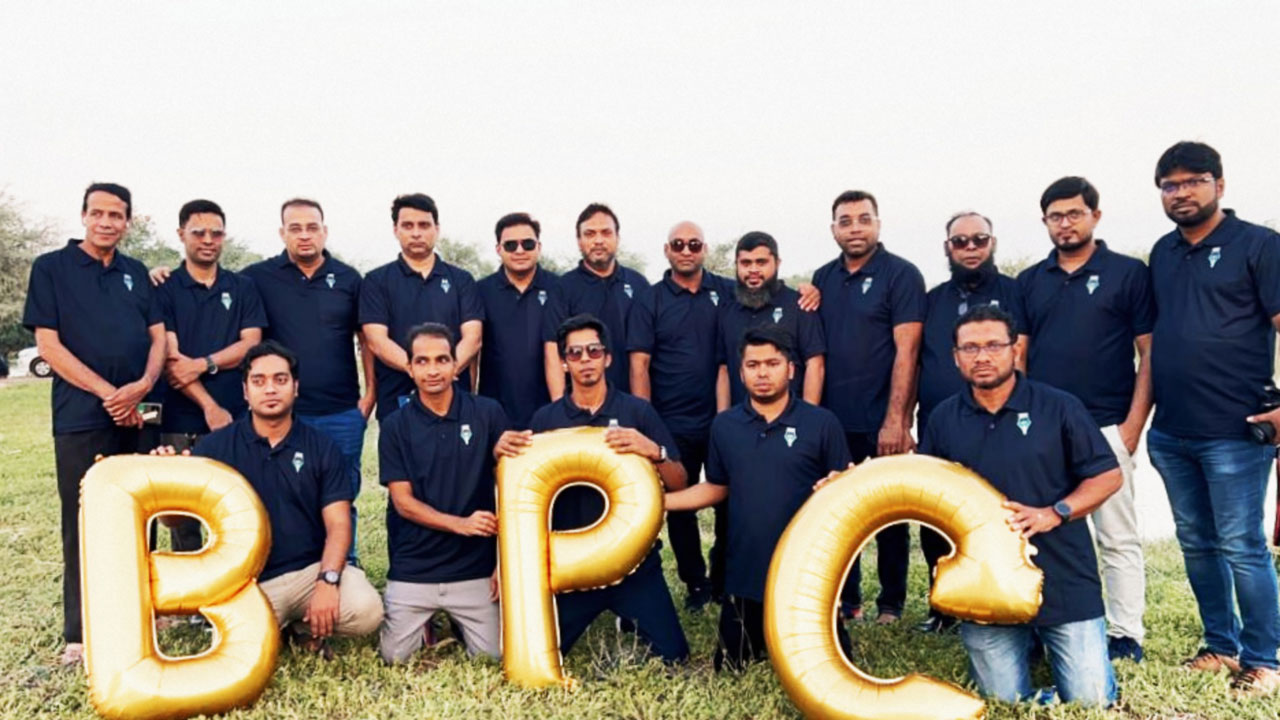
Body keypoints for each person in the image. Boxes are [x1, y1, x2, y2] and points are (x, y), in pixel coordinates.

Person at [919, 305, 1121, 707]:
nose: (982, 356)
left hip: (1062, 576)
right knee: (1004, 700)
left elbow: (1108, 476)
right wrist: (850, 482)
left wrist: (1055, 513)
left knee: (1090, 701)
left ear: (1016, 350)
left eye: (994, 345)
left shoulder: (1059, 406)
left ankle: (1049, 649)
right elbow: (922, 486)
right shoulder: (943, 418)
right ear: (956, 357)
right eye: (970, 348)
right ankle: (1030, 655)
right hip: (986, 584)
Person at [1146, 141, 1280, 695]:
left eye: (1192, 181)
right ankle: (1220, 646)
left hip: (1236, 431)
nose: (1181, 193)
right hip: (1173, 431)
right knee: (1197, 543)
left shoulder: (1259, 245)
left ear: (1219, 185)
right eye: (1170, 185)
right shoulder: (1162, 252)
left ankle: (1264, 659)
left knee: (1242, 545)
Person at [23, 182, 167, 666]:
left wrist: (142, 385)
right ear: (84, 216)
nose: (107, 222)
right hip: (82, 417)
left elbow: (158, 338)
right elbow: (49, 347)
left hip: (140, 413)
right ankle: (81, 633)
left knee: (142, 515)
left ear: (128, 221)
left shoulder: (136, 273)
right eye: (99, 213)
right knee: (83, 520)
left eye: (117, 215)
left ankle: (145, 612)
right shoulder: (51, 268)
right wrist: (110, 394)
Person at [164, 341, 383, 653]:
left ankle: (301, 624)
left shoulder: (322, 446)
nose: (270, 389)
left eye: (280, 380)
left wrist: (328, 580)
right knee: (236, 643)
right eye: (259, 381)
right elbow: (177, 520)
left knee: (366, 610)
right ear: (245, 391)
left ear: (295, 387)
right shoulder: (215, 449)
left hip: (309, 571)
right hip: (248, 579)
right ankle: (285, 627)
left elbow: (338, 524)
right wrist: (168, 485)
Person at [1017, 177, 1153, 662]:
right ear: (1045, 222)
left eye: (1074, 213)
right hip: (1045, 431)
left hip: (1107, 424)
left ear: (1095, 215)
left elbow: (1148, 353)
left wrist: (1132, 427)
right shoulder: (1030, 281)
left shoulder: (1128, 273)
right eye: (1056, 216)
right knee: (1046, 534)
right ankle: (1045, 626)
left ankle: (1125, 633)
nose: (1065, 223)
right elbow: (1020, 357)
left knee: (1117, 537)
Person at [666, 326, 853, 670]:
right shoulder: (724, 426)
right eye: (753, 365)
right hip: (745, 577)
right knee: (730, 668)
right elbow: (717, 486)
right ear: (741, 373)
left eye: (772, 363)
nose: (762, 373)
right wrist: (661, 503)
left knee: (825, 668)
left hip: (806, 574)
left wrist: (840, 486)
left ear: (791, 369)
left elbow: (843, 492)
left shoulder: (822, 424)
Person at [525, 314, 690, 664]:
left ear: (608, 357)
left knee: (675, 657)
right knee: (542, 657)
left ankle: (630, 615)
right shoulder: (546, 420)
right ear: (564, 363)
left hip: (633, 563)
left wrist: (654, 450)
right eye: (575, 353)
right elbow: (528, 494)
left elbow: (679, 481)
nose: (585, 359)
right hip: (573, 566)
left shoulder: (637, 412)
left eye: (594, 351)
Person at [811, 190, 925, 625]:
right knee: (839, 511)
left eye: (863, 219)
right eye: (845, 221)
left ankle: (891, 604)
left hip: (882, 420)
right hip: (834, 420)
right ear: (833, 229)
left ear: (878, 223)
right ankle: (848, 600)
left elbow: (908, 351)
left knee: (888, 513)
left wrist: (897, 419)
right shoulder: (822, 277)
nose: (854, 228)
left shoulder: (902, 275)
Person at [242, 198, 376, 561]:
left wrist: (370, 397)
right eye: (295, 228)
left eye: (312, 227)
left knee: (341, 497)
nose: (304, 235)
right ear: (282, 233)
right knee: (277, 497)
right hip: (281, 414)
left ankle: (343, 569)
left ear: (324, 231)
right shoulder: (257, 278)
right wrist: (160, 272)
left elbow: (366, 340)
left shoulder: (349, 279)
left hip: (341, 412)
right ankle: (279, 571)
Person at [916, 210, 1026, 633]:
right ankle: (944, 606)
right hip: (940, 424)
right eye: (960, 241)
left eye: (979, 239)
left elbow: (1022, 357)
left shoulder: (1015, 291)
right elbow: (914, 358)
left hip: (1001, 421)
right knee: (937, 514)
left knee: (999, 510)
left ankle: (1005, 598)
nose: (970, 248)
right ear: (948, 248)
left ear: (992, 242)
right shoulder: (932, 299)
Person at [378, 323, 513, 663]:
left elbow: (510, 488)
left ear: (456, 366)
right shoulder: (395, 426)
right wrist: (461, 524)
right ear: (410, 368)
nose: (433, 370)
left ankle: (458, 619)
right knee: (396, 658)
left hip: (474, 569)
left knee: (493, 656)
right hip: (415, 568)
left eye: (442, 360)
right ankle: (425, 622)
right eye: (422, 361)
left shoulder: (488, 413)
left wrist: (504, 562)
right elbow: (403, 503)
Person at [627, 220, 731, 608]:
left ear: (705, 249)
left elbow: (768, 293)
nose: (686, 250)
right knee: (681, 506)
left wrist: (807, 291)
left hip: (721, 420)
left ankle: (723, 580)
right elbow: (639, 364)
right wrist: (646, 424)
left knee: (729, 502)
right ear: (667, 250)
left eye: (694, 244)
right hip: (669, 423)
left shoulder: (727, 291)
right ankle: (696, 585)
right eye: (678, 244)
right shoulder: (650, 300)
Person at [154, 199, 267, 551]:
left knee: (240, 510)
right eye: (198, 232)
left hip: (236, 417)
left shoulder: (242, 287)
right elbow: (172, 359)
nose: (208, 240)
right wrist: (209, 406)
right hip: (180, 420)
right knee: (183, 517)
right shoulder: (163, 287)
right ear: (181, 234)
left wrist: (204, 363)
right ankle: (191, 587)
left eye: (216, 233)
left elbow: (250, 344)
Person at [361, 193, 483, 420]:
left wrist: (444, 371)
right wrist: (419, 370)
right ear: (396, 230)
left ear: (436, 229)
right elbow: (376, 341)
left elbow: (473, 337)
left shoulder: (462, 280)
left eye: (424, 225)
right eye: (408, 226)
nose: (416, 233)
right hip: (397, 402)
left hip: (456, 401)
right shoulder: (376, 281)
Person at [542, 204, 649, 398]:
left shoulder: (639, 284)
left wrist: (642, 410)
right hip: (579, 404)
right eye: (590, 234)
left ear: (617, 238)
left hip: (628, 403)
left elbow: (643, 356)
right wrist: (560, 408)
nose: (598, 240)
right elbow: (553, 353)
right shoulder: (563, 288)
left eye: (606, 233)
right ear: (579, 241)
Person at [717, 231, 825, 408]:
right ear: (736, 265)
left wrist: (808, 418)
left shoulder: (800, 304)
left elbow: (815, 364)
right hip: (739, 419)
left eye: (761, 262)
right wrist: (722, 419)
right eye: (746, 263)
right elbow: (724, 369)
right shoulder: (727, 310)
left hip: (790, 418)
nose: (753, 270)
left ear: (777, 263)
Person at [476, 212, 559, 429]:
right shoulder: (480, 291)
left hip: (551, 412)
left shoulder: (560, 289)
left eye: (527, 244)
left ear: (539, 247)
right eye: (511, 245)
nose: (520, 251)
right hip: (495, 415)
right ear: (498, 249)